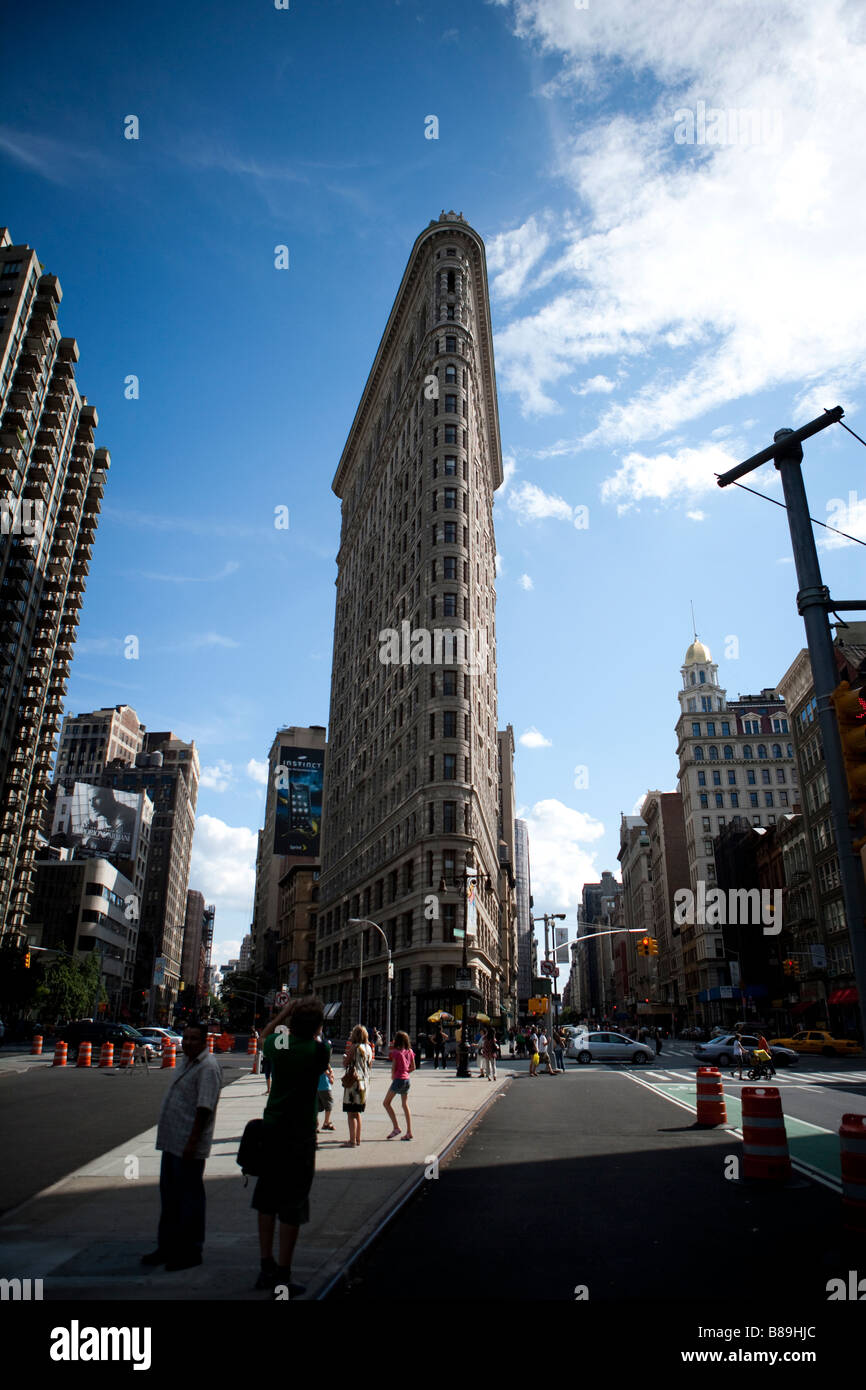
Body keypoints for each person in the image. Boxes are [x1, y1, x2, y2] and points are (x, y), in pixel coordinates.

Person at [251, 996, 330, 1297]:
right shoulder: (319, 1052)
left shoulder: (280, 1049)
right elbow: (317, 1042)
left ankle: (265, 1266)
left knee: (267, 1200)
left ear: (292, 1023)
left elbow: (263, 1038)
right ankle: (283, 1273)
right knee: (293, 1204)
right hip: (301, 1136)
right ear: (317, 1026)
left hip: (272, 1132)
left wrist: (283, 1013)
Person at [142, 1020, 222, 1272]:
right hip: (172, 1141)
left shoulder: (208, 1067)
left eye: (193, 1038)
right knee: (170, 1198)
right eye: (185, 1037)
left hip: (188, 1145)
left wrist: (192, 1142)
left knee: (189, 1200)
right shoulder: (186, 1061)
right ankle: (166, 1247)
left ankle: (191, 1251)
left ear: (204, 1041)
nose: (187, 1042)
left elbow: (204, 1108)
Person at [342, 1025, 374, 1146]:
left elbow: (346, 1063)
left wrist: (345, 1058)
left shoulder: (354, 1047)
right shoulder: (369, 1048)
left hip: (353, 1083)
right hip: (364, 1082)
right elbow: (370, 1064)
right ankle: (358, 1139)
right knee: (358, 1112)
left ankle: (352, 1140)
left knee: (351, 1113)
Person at [383, 1030, 415, 1139]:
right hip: (407, 1080)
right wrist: (406, 1073)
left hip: (398, 1079)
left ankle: (396, 1127)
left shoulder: (396, 1052)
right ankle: (409, 1131)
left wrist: (394, 1075)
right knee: (405, 1105)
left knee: (386, 1103)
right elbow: (413, 1067)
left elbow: (394, 1067)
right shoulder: (410, 1051)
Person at [316, 1053, 335, 1135]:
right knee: (329, 1105)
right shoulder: (321, 1058)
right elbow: (325, 1068)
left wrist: (331, 1073)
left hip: (317, 1086)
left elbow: (329, 1068)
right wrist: (329, 1076)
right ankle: (326, 1123)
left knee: (317, 1107)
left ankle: (315, 1125)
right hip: (324, 1087)